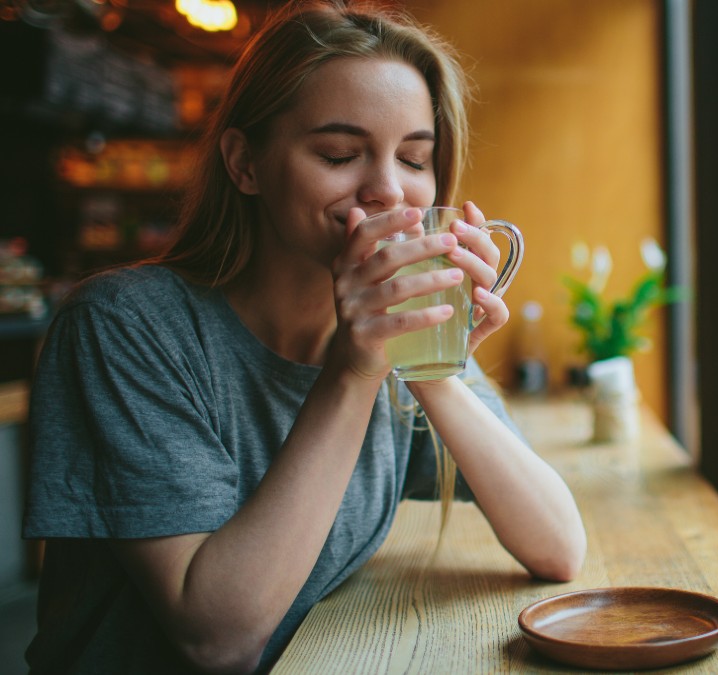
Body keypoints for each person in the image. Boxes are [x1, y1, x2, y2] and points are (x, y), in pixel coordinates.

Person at [22, 3, 587, 673]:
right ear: (245, 164)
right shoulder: (123, 326)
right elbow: (217, 639)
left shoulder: (390, 331)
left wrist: (433, 365)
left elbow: (558, 546)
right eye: (340, 154)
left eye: (414, 157)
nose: (388, 191)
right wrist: (351, 373)